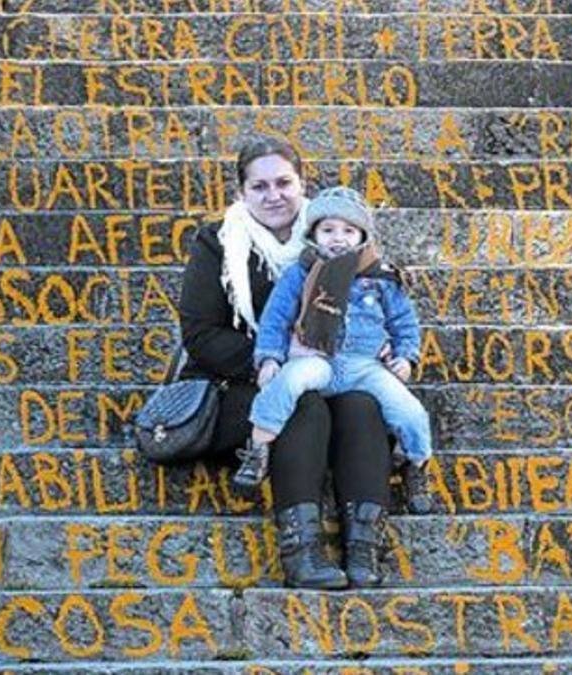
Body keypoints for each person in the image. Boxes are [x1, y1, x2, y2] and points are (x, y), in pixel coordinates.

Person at [178, 136, 418, 589]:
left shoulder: (336, 235)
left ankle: (363, 546)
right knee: (303, 405)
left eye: (283, 183)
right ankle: (302, 552)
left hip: (332, 370)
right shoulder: (218, 243)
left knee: (363, 404)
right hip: (243, 382)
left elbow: (380, 305)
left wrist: (384, 347)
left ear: (301, 184)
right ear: (241, 193)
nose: (274, 196)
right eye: (260, 186)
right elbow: (200, 335)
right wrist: (276, 359)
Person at [234, 186, 433, 517]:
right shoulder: (300, 273)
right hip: (318, 358)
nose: (338, 238)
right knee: (285, 383)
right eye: (328, 230)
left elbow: (404, 323)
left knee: (411, 413)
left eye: (348, 231)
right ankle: (259, 446)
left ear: (362, 236)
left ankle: (416, 464)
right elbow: (275, 319)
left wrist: (406, 356)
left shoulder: (381, 278)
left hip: (365, 366)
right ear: (313, 234)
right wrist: (269, 357)